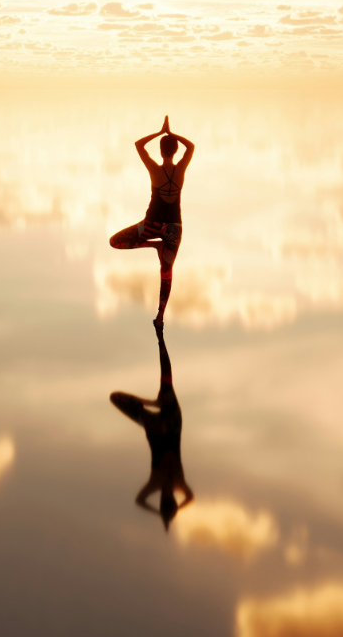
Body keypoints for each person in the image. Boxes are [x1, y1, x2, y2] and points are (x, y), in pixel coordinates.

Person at [109, 115, 192, 329]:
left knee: (115, 241)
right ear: (175, 151)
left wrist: (160, 132)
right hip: (174, 228)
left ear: (161, 151)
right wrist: (172, 134)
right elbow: (190, 146)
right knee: (166, 272)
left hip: (152, 224)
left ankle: (154, 243)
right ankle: (160, 316)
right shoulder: (181, 170)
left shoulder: (155, 170)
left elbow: (139, 145)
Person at [109, 328, 192, 528]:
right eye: (169, 499)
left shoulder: (156, 483)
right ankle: (160, 336)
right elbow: (190, 499)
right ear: (171, 498)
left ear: (163, 499)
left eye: (165, 499)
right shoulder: (179, 483)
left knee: (115, 398)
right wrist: (172, 511)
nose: (167, 493)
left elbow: (140, 501)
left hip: (153, 427)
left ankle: (153, 402)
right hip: (171, 424)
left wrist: (160, 513)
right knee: (166, 384)